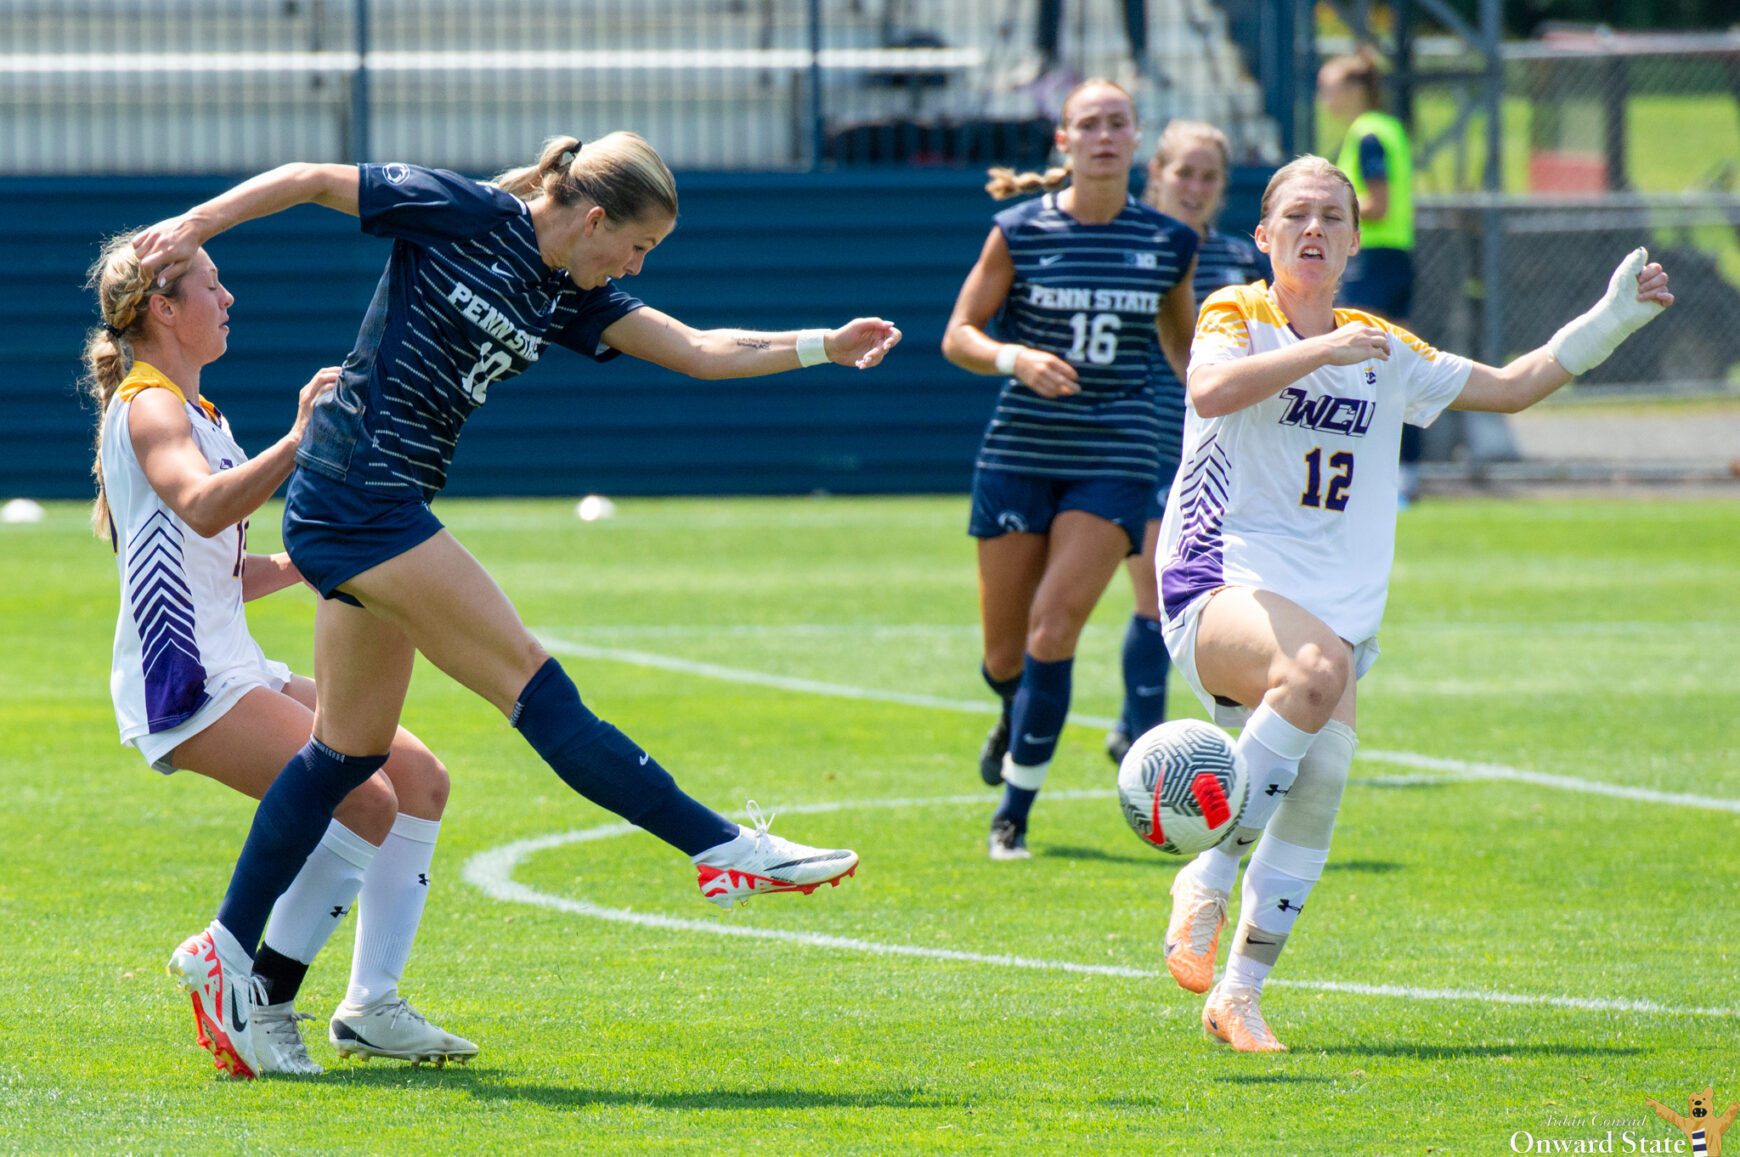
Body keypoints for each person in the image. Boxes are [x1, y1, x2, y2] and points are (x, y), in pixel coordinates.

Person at [130, 132, 901, 1081]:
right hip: (361, 497)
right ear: (591, 218)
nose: (636, 265)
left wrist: (827, 344)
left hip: (368, 504)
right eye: (637, 245)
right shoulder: (467, 210)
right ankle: (723, 845)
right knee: (537, 688)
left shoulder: (569, 292)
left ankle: (231, 951)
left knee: (347, 754)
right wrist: (195, 224)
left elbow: (699, 350)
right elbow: (309, 178)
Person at [1155, 156, 1671, 1051]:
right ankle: (1203, 873)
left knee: (1318, 786)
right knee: (1316, 671)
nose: (1314, 229)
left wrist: (1613, 318)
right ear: (1265, 237)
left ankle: (1238, 993)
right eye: (1297, 216)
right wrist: (1320, 350)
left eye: (1332, 217)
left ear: (1356, 241)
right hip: (1217, 581)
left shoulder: (1383, 346)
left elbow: (1513, 386)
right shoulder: (1236, 312)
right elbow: (1206, 390)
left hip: (1333, 614)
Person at [85, 236, 475, 1077]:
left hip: (235, 663)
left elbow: (222, 566)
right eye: (212, 287)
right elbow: (198, 506)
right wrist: (301, 438)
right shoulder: (151, 406)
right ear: (163, 308)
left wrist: (325, 556)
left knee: (418, 781)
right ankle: (255, 991)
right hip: (184, 679)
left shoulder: (203, 414)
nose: (228, 300)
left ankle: (371, 1004)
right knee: (363, 797)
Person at [941, 79, 1198, 861]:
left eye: (1119, 122)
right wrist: (1015, 357)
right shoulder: (1018, 231)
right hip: (1019, 454)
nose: (1105, 135)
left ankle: (1013, 812)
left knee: (1057, 627)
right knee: (1004, 656)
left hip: (1114, 456)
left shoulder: (1167, 242)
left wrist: (1236, 416)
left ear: (1137, 137)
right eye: (1089, 124)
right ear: (1064, 142)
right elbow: (959, 334)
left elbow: (1187, 355)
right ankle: (1011, 713)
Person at [1103, 120, 1268, 765]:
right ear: (1157, 175)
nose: (1194, 187)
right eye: (1183, 173)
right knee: (1156, 592)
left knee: (1220, 595)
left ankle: (1140, 729)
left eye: (1209, 177)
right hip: (1143, 440)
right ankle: (1151, 754)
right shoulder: (1131, 252)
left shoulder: (1241, 262)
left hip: (1224, 454)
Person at [1318, 49, 1423, 504]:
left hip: (1374, 261)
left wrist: (1329, 204)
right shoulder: (1390, 128)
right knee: (1394, 366)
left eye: (1330, 87)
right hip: (1396, 258)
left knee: (1367, 367)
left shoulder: (1366, 134)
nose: (1325, 98)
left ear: (1356, 89)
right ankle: (1406, 474)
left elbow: (1376, 203)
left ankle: (1382, 475)